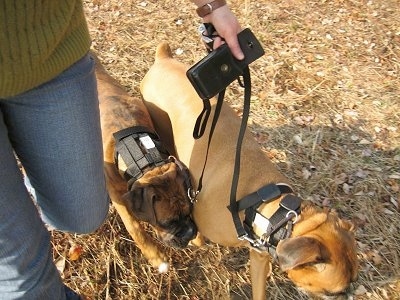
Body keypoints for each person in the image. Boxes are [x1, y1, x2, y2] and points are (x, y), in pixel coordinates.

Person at [0, 0, 243, 299]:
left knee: (83, 218)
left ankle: (36, 176)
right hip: (100, 125)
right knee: (20, 271)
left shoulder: (165, 156)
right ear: (140, 205)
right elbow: (127, 204)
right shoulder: (115, 174)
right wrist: (150, 244)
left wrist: (212, 7)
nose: (186, 227)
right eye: (171, 222)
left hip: (52, 55)